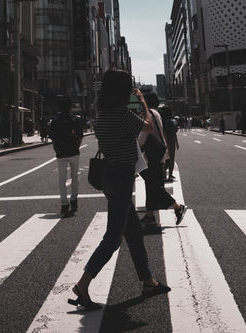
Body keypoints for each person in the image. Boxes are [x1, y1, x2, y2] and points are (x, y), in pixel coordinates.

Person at [69, 69, 170, 310]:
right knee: (113, 236)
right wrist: (143, 101)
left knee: (133, 231)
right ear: (122, 90)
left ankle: (147, 280)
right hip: (122, 176)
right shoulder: (122, 114)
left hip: (109, 175)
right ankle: (82, 284)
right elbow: (148, 127)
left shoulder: (102, 115)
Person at [139, 92, 187, 229]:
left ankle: (178, 207)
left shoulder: (150, 115)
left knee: (153, 186)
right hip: (157, 154)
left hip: (151, 155)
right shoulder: (157, 113)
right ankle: (150, 216)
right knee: (152, 185)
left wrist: (137, 146)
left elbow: (144, 135)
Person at [50, 107, 83, 216]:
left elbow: (53, 138)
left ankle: (64, 204)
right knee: (74, 176)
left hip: (61, 152)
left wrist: (56, 148)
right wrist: (77, 146)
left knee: (62, 179)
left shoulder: (55, 120)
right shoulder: (75, 119)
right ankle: (74, 201)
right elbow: (80, 135)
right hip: (74, 151)